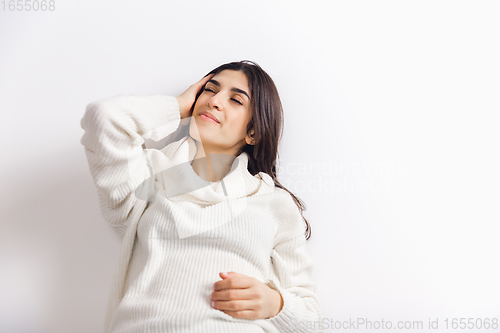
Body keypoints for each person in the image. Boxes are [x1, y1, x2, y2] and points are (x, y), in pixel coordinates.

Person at [80, 60, 323, 332]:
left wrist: (274, 303)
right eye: (210, 89)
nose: (215, 101)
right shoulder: (147, 178)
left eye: (236, 100)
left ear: (253, 132)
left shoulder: (274, 203)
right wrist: (178, 107)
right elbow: (103, 118)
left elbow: (311, 322)